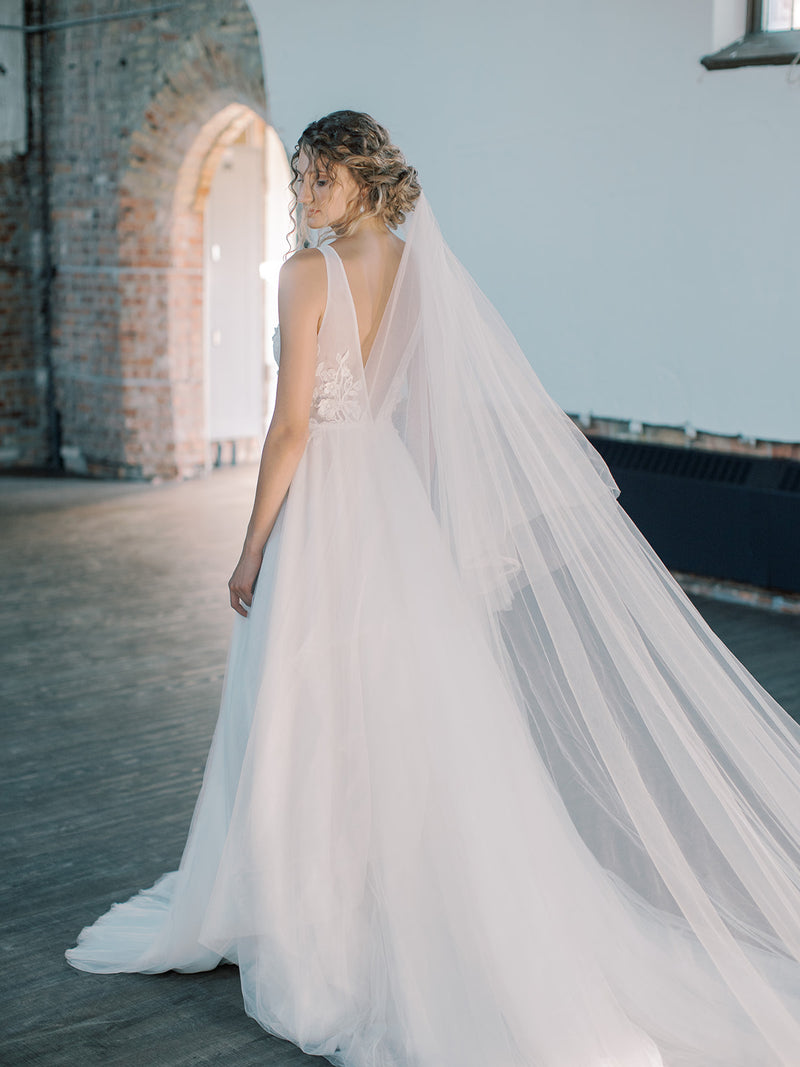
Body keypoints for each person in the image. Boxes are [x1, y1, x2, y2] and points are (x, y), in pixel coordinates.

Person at [66, 111, 800, 1067]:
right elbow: (417, 409)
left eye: (322, 178)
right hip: (388, 501)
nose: (305, 195)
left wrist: (250, 549)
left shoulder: (306, 273)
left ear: (366, 180)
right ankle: (380, 897)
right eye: (301, 178)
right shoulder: (420, 271)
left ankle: (314, 914)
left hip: (325, 507)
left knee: (305, 701)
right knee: (392, 705)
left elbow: (290, 428)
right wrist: (421, 522)